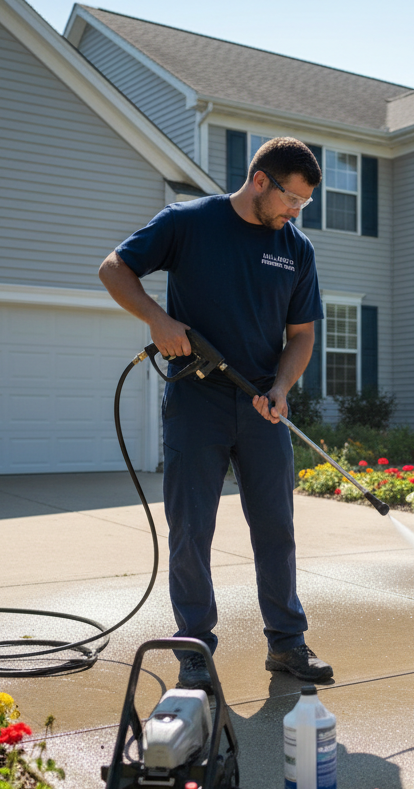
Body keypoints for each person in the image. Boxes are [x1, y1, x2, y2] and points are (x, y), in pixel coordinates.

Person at [98, 137, 332, 690]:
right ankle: (194, 650)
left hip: (261, 407)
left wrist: (281, 386)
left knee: (276, 527)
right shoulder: (190, 222)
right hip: (195, 405)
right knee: (191, 531)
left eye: (304, 203)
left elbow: (301, 335)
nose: (296, 212)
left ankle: (287, 644)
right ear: (259, 181)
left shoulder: (296, 249)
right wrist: (158, 319)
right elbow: (114, 269)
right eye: (291, 199)